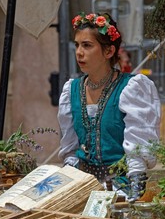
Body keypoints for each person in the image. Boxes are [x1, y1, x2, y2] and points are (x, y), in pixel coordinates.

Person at [57, 12, 161, 202]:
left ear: (109, 51)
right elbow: (71, 150)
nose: (79, 52)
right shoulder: (71, 90)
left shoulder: (131, 89)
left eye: (87, 45)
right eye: (77, 45)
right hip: (82, 186)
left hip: (121, 187)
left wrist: (133, 196)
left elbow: (137, 153)